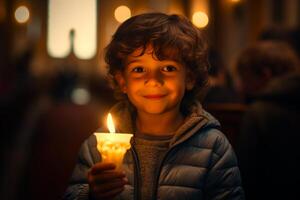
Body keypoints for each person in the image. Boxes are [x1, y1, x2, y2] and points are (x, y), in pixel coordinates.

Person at [64, 12, 244, 200]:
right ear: (122, 81)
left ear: (189, 78)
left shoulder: (213, 147)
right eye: (139, 69)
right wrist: (91, 194)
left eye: (168, 68)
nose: (153, 80)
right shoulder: (96, 147)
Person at [235, 41, 300, 199]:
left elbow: (246, 176)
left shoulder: (258, 113)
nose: (241, 88)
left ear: (266, 75)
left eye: (245, 79)